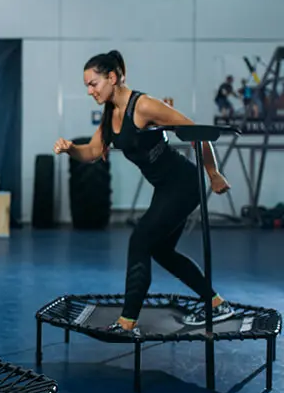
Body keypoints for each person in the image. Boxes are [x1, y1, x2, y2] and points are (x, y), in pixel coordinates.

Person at [53, 50, 235, 335]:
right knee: (160, 250)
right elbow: (90, 151)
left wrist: (213, 173)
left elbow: (195, 131)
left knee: (140, 240)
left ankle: (127, 323)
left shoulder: (144, 105)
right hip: (165, 188)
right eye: (87, 85)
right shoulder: (110, 114)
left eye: (93, 83)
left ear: (112, 77)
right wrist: (70, 149)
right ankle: (216, 304)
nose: (89, 91)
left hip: (185, 184)